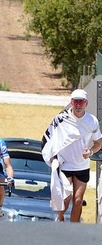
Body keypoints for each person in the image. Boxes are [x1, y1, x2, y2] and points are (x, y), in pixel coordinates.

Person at [42, 89, 102, 222]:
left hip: (82, 165)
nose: (78, 105)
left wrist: (91, 152)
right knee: (65, 198)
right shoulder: (61, 118)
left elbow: (99, 143)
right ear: (71, 102)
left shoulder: (92, 121)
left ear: (86, 103)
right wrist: (52, 157)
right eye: (75, 102)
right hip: (65, 164)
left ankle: (73, 229)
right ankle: (60, 219)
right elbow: (48, 138)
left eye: (81, 102)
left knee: (78, 200)